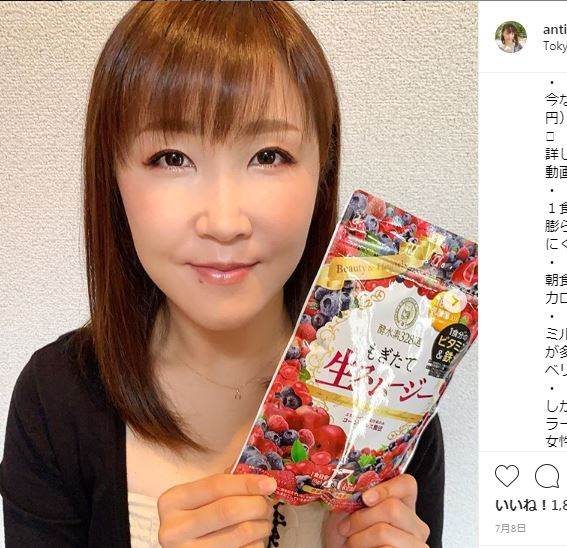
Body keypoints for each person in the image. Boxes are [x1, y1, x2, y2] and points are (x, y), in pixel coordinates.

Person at [0, 2, 444, 547]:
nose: (225, 222)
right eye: (171, 158)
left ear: (322, 170)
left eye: (269, 155)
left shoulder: (389, 403)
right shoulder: (57, 398)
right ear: (112, 174)